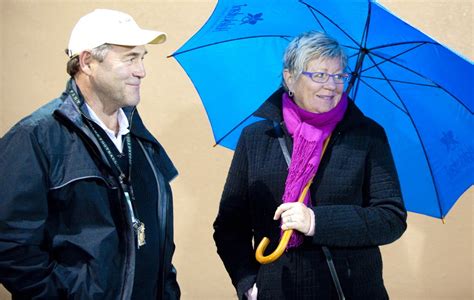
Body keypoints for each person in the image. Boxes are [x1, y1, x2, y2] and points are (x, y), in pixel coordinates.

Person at [0, 9, 180, 299]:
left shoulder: (142, 141)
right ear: (87, 62)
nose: (141, 71)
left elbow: (158, 238)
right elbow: (10, 245)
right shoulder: (35, 138)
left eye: (142, 58)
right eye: (130, 58)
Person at [213, 31, 407, 300]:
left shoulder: (366, 135)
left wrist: (316, 221)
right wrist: (248, 283)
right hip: (278, 291)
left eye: (339, 76)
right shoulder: (256, 138)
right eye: (319, 75)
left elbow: (390, 218)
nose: (331, 85)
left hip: (352, 290)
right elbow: (230, 226)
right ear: (290, 78)